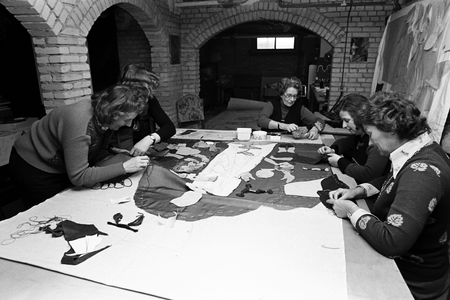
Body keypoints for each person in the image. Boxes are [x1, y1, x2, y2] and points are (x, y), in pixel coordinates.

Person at [327, 91, 450, 299]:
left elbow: (392, 242)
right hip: (407, 271)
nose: (372, 143)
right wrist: (358, 190)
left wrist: (351, 211)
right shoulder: (420, 150)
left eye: (371, 133)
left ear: (391, 129)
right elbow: (391, 179)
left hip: (411, 284)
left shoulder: (422, 172)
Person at [9, 84, 151, 209]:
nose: (128, 125)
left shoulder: (106, 118)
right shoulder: (79, 123)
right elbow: (78, 176)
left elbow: (99, 152)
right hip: (33, 164)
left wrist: (116, 154)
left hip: (61, 163)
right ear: (114, 114)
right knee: (51, 214)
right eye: (127, 120)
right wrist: (124, 167)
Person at [317, 93, 390, 184]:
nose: (344, 126)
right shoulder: (360, 136)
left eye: (347, 121)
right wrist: (333, 149)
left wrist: (340, 162)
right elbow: (345, 142)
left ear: (359, 118)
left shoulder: (376, 142)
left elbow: (368, 174)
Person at [109, 64, 176, 156]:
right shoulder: (114, 103)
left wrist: (149, 139)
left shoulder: (148, 99)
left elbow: (169, 127)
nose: (149, 94)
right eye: (147, 89)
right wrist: (112, 149)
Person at [257, 76, 325, 139]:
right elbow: (261, 121)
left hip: (289, 143)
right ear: (281, 94)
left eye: (294, 96)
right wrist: (284, 126)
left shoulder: (300, 109)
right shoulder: (271, 105)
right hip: (269, 140)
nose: (292, 99)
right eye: (289, 95)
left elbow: (320, 121)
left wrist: (315, 129)